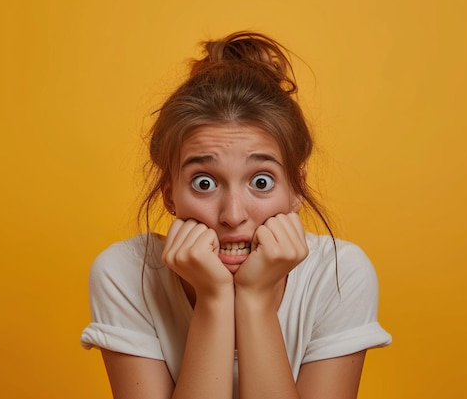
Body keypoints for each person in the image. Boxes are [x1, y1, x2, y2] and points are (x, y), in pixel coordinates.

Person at [81, 31, 391, 399]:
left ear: (296, 189)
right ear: (169, 195)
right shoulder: (125, 273)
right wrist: (213, 301)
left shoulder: (339, 275)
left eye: (260, 181)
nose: (232, 215)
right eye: (204, 183)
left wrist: (255, 300)